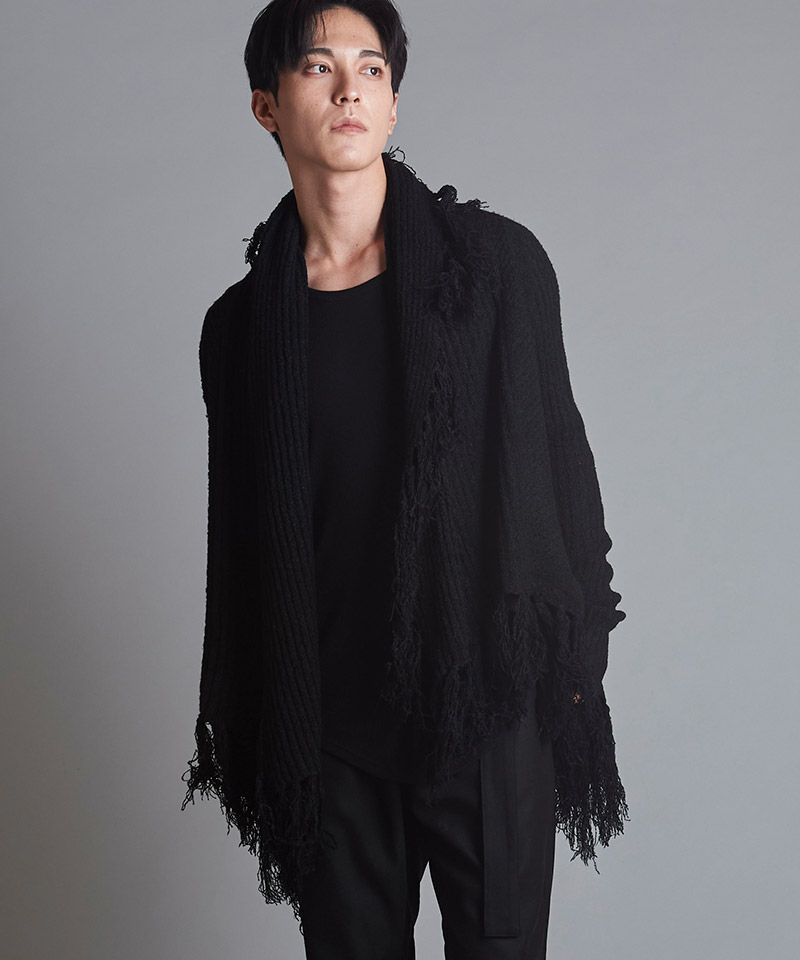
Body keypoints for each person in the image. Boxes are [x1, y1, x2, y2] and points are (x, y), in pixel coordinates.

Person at [180, 2, 629, 958]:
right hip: (332, 723)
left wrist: (577, 658)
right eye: (318, 67)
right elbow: (246, 546)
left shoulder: (495, 268)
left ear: (392, 105)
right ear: (267, 106)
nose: (349, 88)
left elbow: (564, 469)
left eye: (372, 68)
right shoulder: (240, 330)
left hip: (487, 700)